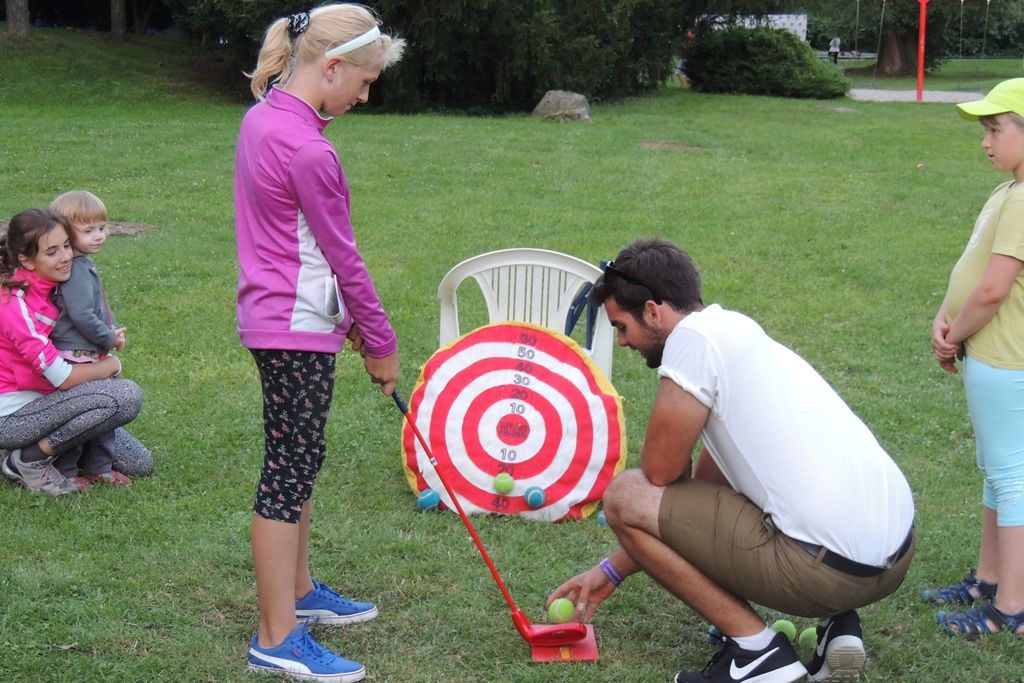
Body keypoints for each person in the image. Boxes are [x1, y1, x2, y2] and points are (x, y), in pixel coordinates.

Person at [547, 238, 915, 683]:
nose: (623, 343)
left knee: (625, 494)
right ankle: (839, 627)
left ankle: (758, 654)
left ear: (652, 311)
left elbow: (661, 477)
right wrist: (612, 569)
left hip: (826, 572)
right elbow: (703, 504)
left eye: (621, 327)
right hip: (892, 559)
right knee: (792, 494)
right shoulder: (738, 331)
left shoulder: (691, 344)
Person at [235, 5, 403, 682]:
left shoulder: (267, 117)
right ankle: (276, 635)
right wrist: (381, 339)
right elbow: (344, 257)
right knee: (288, 467)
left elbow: (303, 246)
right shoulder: (308, 147)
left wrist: (352, 324)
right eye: (362, 81)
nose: (364, 96)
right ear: (331, 66)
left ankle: (299, 594)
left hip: (287, 319)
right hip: (293, 326)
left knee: (301, 457)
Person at [925, 78, 1024, 639]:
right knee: (997, 471)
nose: (986, 142)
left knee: (1011, 477)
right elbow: (971, 267)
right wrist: (945, 312)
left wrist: (952, 335)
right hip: (985, 350)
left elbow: (993, 290)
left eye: (996, 129)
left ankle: (1010, 607)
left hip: (1006, 360)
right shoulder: (1005, 192)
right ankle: (988, 581)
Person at [0, 208, 144, 496]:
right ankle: (25, 459)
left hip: (56, 402)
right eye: (51, 252)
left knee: (139, 462)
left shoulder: (55, 287)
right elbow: (63, 378)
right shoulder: (13, 305)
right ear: (26, 260)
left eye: (66, 245)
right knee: (126, 396)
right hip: (15, 416)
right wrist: (111, 366)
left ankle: (51, 453)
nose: (66, 256)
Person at [48, 190, 134, 488]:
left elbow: (95, 309)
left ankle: (98, 466)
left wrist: (113, 330)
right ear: (66, 233)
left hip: (88, 352)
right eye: (88, 230)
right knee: (84, 416)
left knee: (102, 414)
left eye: (101, 228)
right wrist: (108, 338)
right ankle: (68, 471)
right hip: (75, 356)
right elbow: (82, 316)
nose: (99, 236)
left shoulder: (81, 265)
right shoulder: (76, 270)